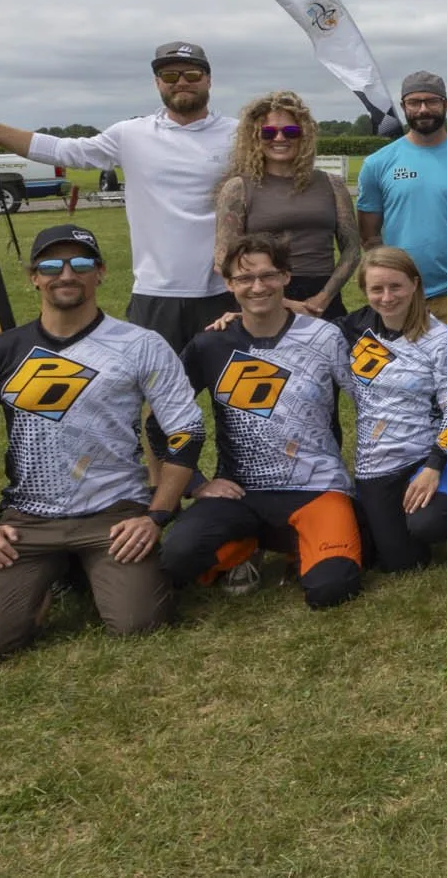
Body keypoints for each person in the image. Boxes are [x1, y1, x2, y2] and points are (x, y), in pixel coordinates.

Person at [0, 222, 203, 665]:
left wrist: (156, 516)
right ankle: (53, 576)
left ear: (100, 273)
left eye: (80, 263)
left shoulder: (140, 345)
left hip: (115, 515)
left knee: (140, 624)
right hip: (29, 520)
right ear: (33, 276)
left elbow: (187, 433)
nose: (66, 274)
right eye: (51, 265)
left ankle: (75, 571)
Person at [0, 40, 237, 350]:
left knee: (238, 394)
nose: (181, 82)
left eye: (192, 74)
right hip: (157, 294)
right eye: (169, 76)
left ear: (208, 79)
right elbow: (61, 150)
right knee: (158, 393)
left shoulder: (240, 133)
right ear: (157, 84)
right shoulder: (131, 134)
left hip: (230, 289)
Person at [161, 233, 367, 611]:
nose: (258, 287)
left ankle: (299, 545)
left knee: (331, 589)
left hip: (317, 486)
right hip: (241, 492)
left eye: (269, 276)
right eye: (245, 279)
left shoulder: (325, 336)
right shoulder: (211, 345)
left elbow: (368, 402)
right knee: (176, 557)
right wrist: (196, 483)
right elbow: (162, 418)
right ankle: (247, 547)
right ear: (229, 284)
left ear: (286, 277)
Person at [357, 71, 447, 453]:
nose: (423, 109)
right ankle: (418, 453)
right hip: (401, 299)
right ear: (404, 107)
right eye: (415, 102)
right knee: (408, 382)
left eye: (431, 101)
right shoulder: (380, 163)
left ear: (446, 105)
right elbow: (369, 233)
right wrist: (390, 278)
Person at [336, 246, 447, 573]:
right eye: (376, 289)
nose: (387, 297)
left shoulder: (442, 339)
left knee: (429, 524)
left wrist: (433, 466)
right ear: (364, 291)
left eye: (395, 286)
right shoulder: (350, 330)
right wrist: (239, 317)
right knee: (402, 563)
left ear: (414, 284)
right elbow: (294, 329)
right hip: (374, 463)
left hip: (425, 455)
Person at [212, 90, 359, 319]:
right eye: (268, 132)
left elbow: (351, 250)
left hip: (322, 300)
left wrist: (323, 298)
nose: (280, 138)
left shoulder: (332, 184)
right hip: (264, 296)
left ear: (304, 135)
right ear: (255, 137)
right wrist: (283, 302)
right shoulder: (237, 188)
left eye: (291, 131)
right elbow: (224, 258)